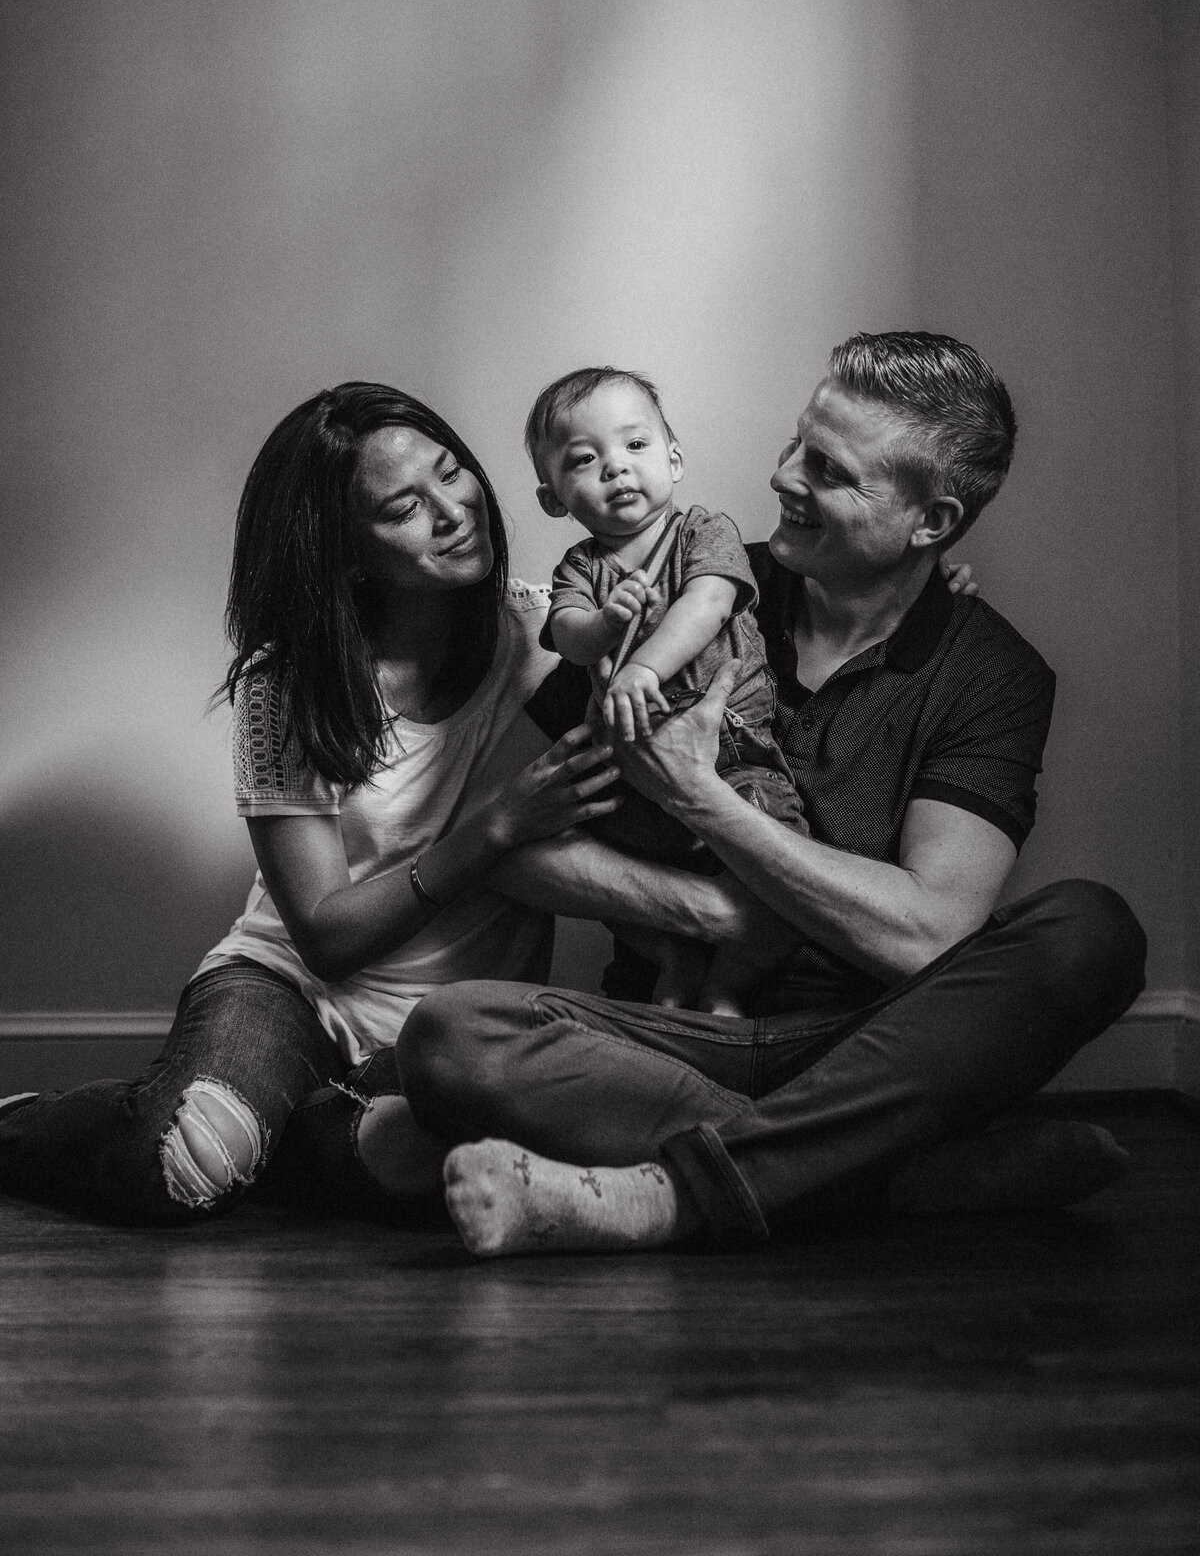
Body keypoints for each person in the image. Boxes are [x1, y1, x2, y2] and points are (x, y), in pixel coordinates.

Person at [396, 333, 1147, 1258]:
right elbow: (501, 835)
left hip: (878, 1045)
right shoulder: (688, 582)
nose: (783, 475)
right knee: (449, 1036)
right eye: (797, 442)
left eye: (827, 470)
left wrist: (703, 800)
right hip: (673, 1034)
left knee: (1092, 933)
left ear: (930, 522)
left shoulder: (993, 675)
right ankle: (894, 1175)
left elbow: (926, 936)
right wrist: (715, 914)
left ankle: (667, 1195)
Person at [0, 382, 625, 1226]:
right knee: (185, 1167)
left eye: (453, 473)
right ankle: (28, 1125)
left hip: (454, 1022)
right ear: (348, 552)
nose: (453, 511)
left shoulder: (551, 641)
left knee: (417, 1166)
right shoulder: (288, 683)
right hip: (289, 987)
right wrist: (498, 825)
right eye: (405, 506)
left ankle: (269, 1131)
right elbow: (326, 936)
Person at [525, 364, 807, 1014]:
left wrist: (643, 668)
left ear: (674, 458)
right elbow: (567, 634)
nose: (616, 468)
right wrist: (602, 624)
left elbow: (707, 603)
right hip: (633, 783)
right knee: (607, 874)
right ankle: (674, 963)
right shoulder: (579, 569)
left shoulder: (705, 532)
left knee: (785, 875)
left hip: (738, 766)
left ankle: (727, 990)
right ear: (553, 498)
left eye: (635, 445)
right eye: (585, 460)